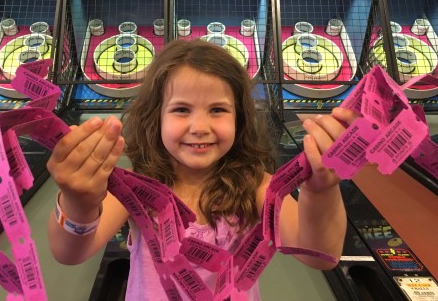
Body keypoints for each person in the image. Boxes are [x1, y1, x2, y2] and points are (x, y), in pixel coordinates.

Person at [47, 39, 358, 300]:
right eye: (181, 109)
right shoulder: (139, 188)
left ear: (239, 118)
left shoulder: (254, 186)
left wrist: (321, 189)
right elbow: (70, 252)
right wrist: (78, 201)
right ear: (156, 117)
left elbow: (319, 253)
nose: (199, 127)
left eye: (218, 110)